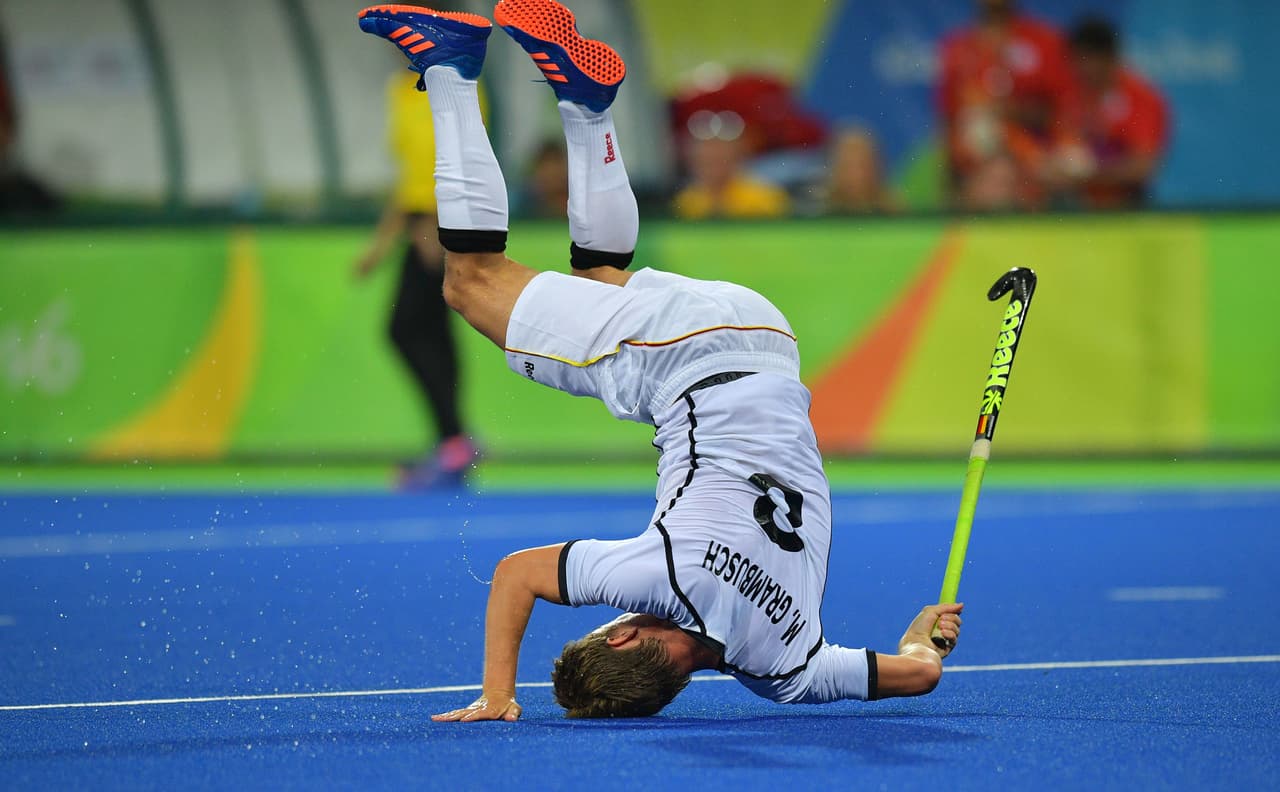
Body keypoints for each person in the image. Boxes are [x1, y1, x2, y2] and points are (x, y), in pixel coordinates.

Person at [358, 0, 964, 722]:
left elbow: (919, 676)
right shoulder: (656, 580)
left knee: (599, 293)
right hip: (685, 355)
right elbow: (515, 575)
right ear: (621, 640)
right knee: (468, 281)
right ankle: (450, 68)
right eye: (607, 627)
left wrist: (922, 641)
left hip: (767, 341)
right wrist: (498, 693)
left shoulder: (788, 666)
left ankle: (585, 107)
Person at [353, 60, 479, 489]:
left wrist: (444, 226)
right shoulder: (401, 90)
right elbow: (409, 175)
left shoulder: (463, 88)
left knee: (407, 328)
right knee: (429, 330)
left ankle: (454, 438)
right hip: (417, 225)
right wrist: (382, 244)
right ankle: (454, 440)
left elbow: (464, 161)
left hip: (442, 225)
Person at [938, 0, 1072, 210]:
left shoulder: (1045, 41)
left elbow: (1061, 112)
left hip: (1033, 172)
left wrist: (1007, 112)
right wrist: (951, 184)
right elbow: (948, 120)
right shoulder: (957, 47)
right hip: (976, 176)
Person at [1043, 17, 1169, 209]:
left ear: (1110, 58)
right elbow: (1061, 146)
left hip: (1125, 206)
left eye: (1087, 60)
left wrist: (1090, 175)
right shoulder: (1071, 95)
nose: (1080, 69)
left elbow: (1144, 167)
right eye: (1075, 61)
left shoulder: (1140, 97)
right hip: (1074, 203)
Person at [672, 134, 790, 220]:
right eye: (705, 162)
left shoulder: (763, 197)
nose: (711, 169)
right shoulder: (687, 200)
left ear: (735, 159)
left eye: (717, 161)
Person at [823, 128, 901, 215]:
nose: (856, 175)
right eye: (848, 167)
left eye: (862, 166)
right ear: (835, 169)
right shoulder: (820, 209)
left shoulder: (895, 211)